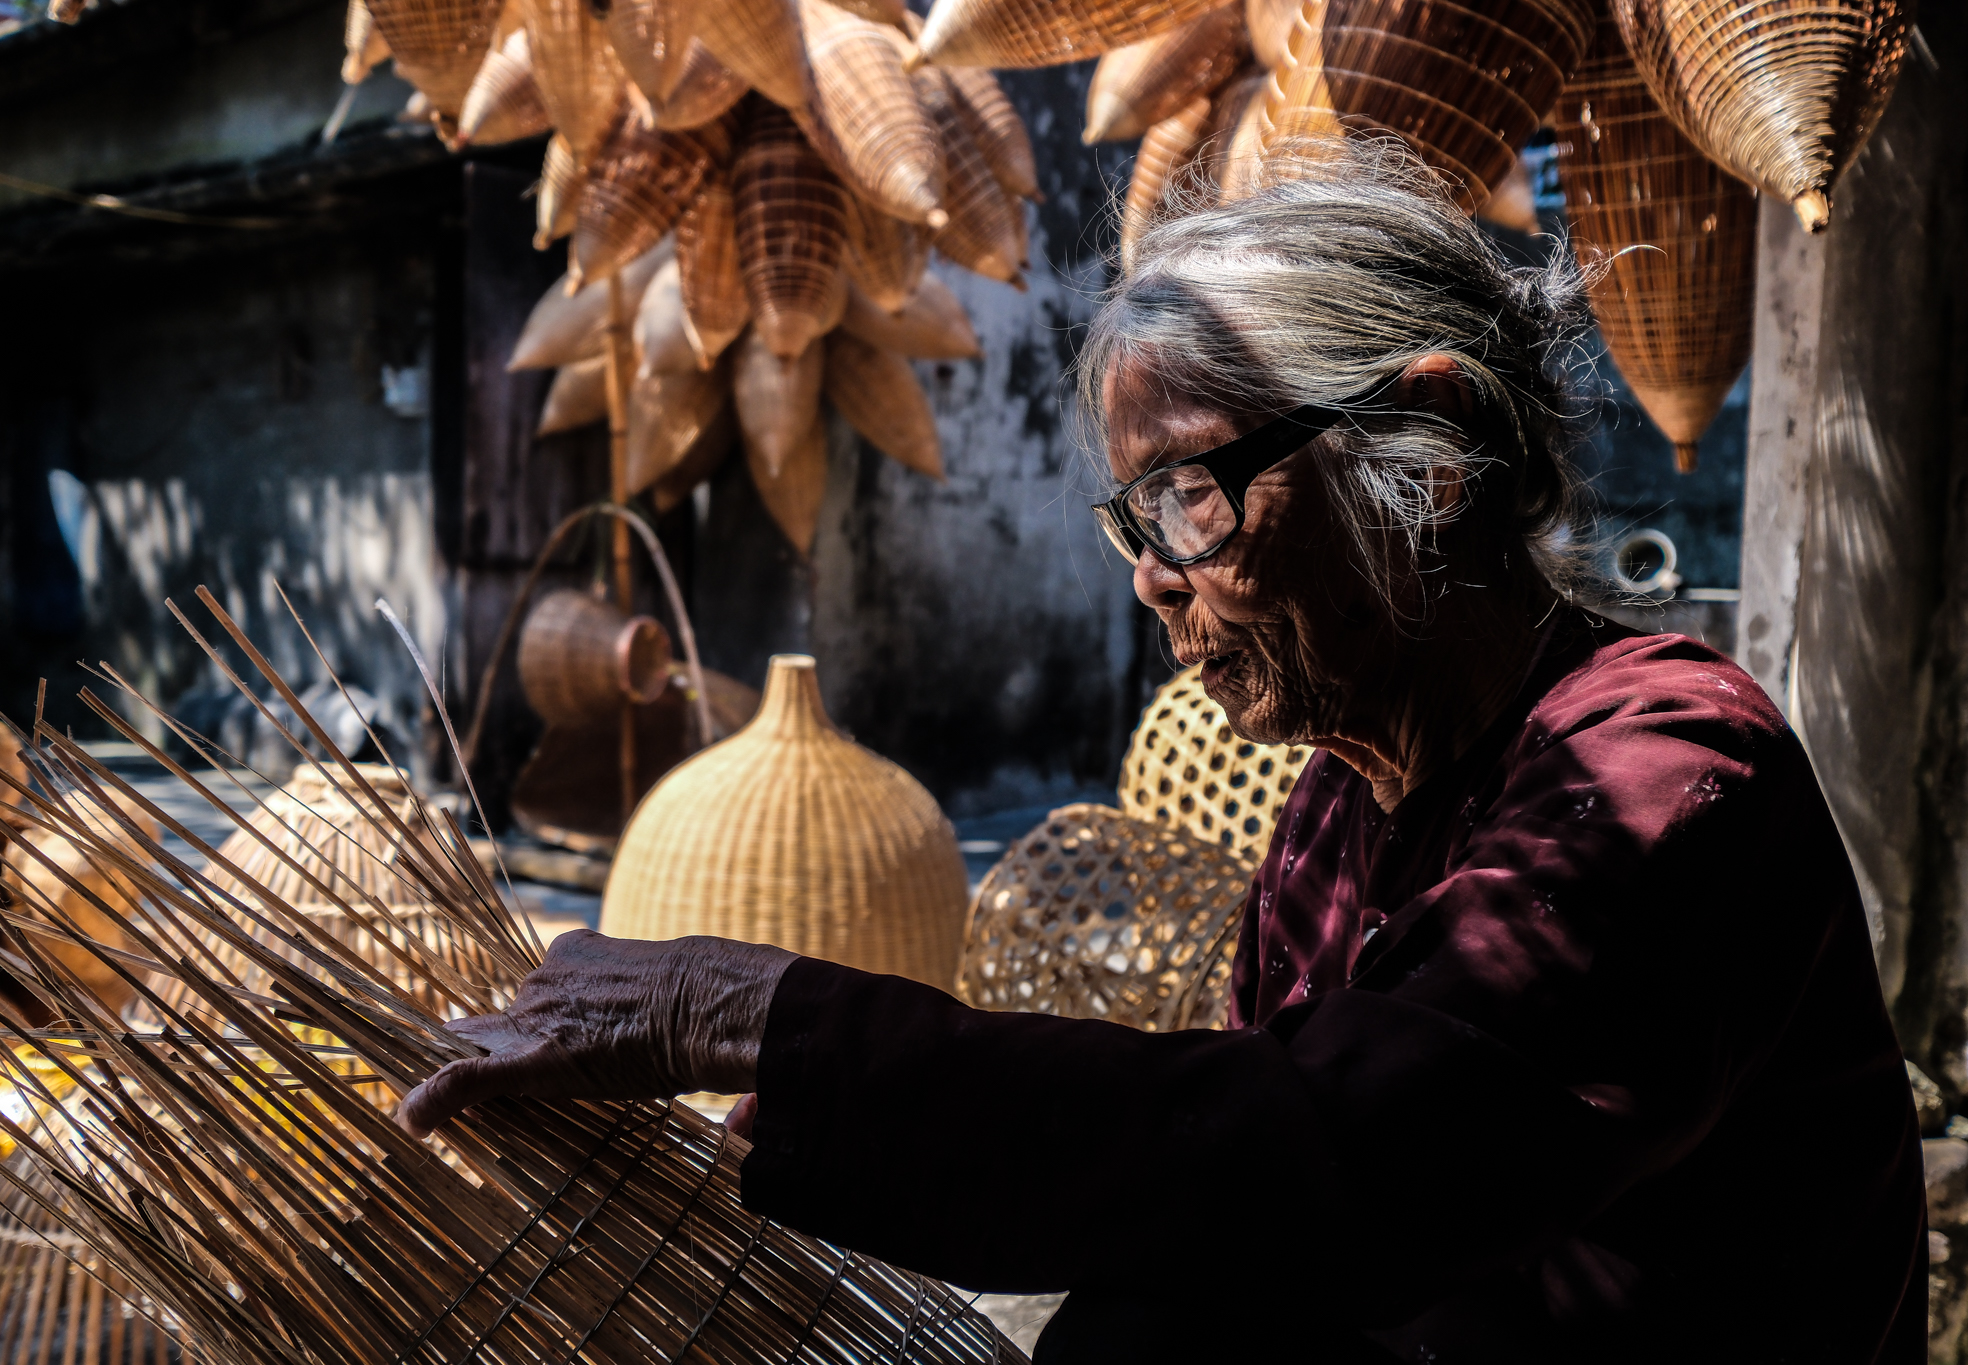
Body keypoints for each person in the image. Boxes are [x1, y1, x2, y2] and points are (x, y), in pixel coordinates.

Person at [399, 151, 1926, 1362]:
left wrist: (765, 1017)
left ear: (1433, 454)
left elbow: (1346, 1157)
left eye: (1189, 495)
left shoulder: (1660, 777)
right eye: (1133, 518)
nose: (1150, 571)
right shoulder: (1334, 819)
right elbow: (1219, 1166)